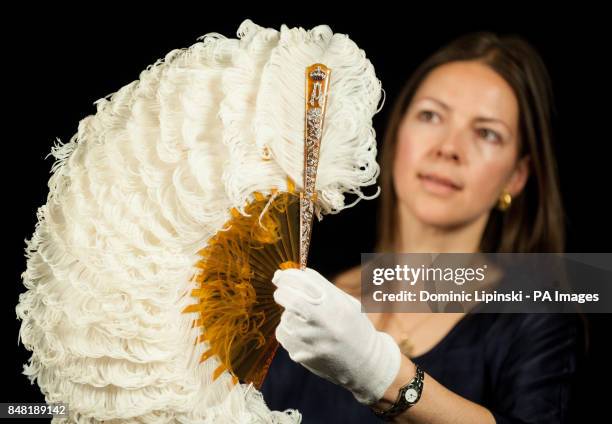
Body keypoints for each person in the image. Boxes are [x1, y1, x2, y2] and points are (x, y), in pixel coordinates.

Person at [261, 31, 586, 423]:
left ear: (515, 177)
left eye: (486, 133)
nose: (448, 147)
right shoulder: (307, 301)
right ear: (396, 136)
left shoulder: (537, 316)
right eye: (430, 115)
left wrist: (379, 371)